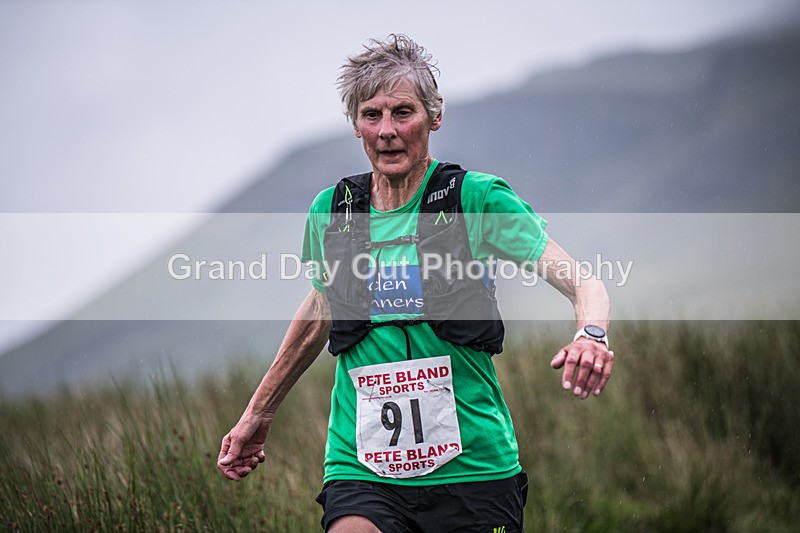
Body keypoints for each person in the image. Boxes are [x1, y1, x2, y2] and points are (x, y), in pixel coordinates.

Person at [218, 34, 613, 532]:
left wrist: (591, 335)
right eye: (371, 115)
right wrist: (258, 413)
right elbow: (321, 308)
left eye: (402, 113)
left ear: (434, 115)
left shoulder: (476, 199)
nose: (386, 131)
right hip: (363, 468)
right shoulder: (333, 211)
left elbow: (583, 281)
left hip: (473, 468)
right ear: (356, 124)